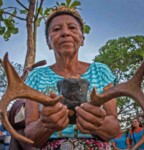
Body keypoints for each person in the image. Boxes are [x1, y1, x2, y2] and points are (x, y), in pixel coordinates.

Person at [24, 6, 120, 149]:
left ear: (82, 39)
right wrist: (45, 124)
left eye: (72, 28)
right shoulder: (36, 76)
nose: (65, 33)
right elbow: (30, 135)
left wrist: (98, 122)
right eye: (56, 29)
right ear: (48, 43)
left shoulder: (100, 71)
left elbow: (114, 128)